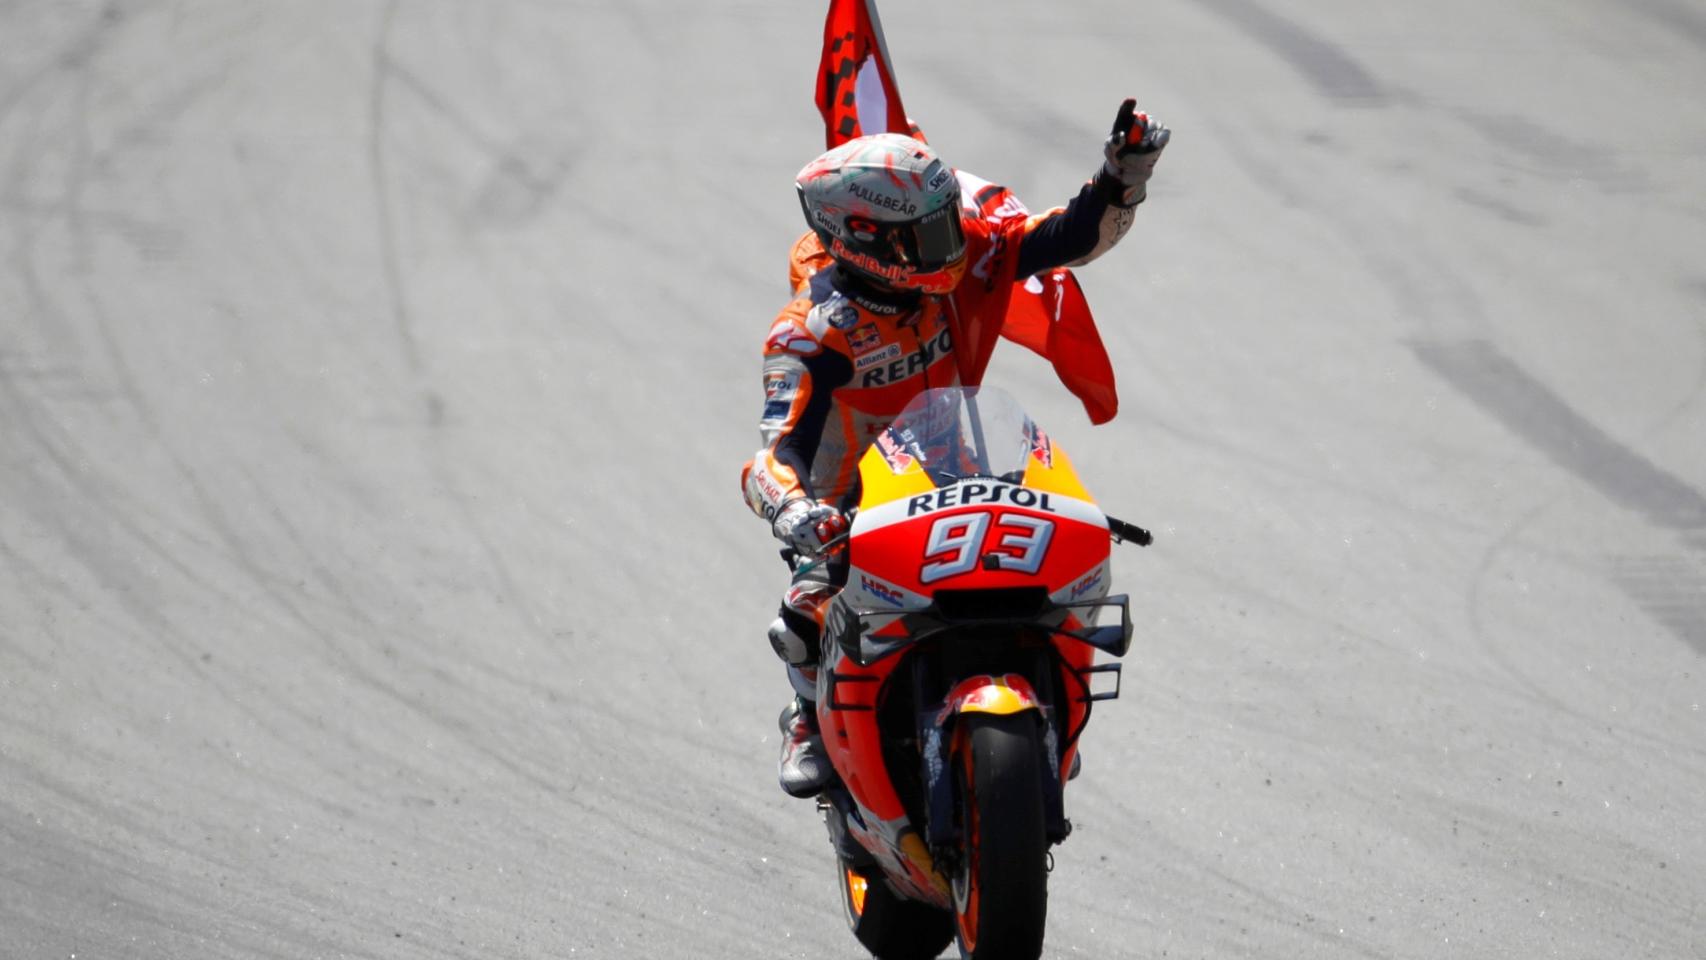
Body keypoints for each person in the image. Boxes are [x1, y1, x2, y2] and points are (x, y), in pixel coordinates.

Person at [739, 100, 1170, 797]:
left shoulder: (963, 255)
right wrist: (793, 511)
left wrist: (1124, 174)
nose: (950, 244)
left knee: (1050, 574)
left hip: (960, 464)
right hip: (850, 510)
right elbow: (774, 454)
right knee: (805, 612)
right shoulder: (810, 334)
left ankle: (1050, 702)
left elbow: (1067, 238)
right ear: (861, 241)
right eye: (924, 234)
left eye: (945, 222)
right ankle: (808, 717)